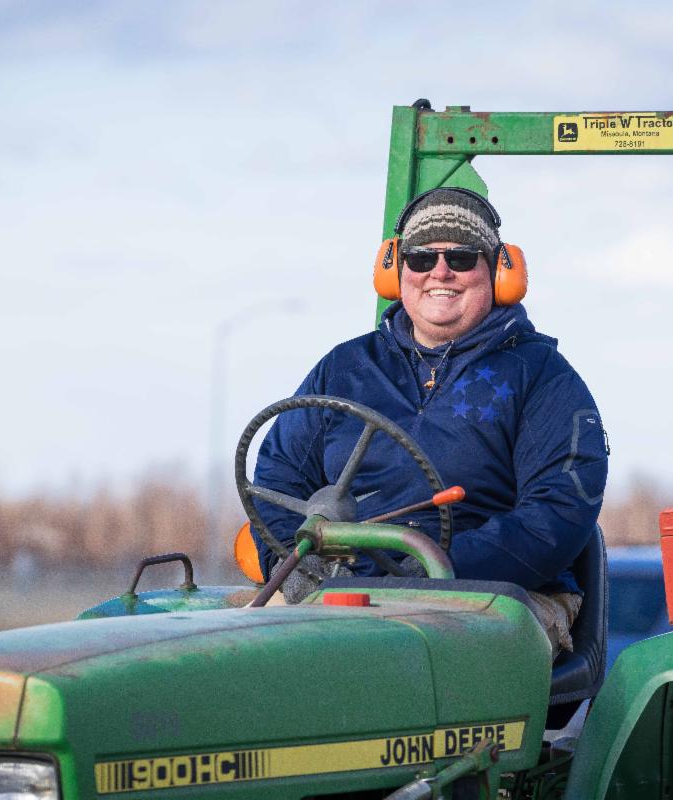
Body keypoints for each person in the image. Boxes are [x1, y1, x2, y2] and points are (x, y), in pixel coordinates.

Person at [250, 187, 608, 654]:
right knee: (224, 645)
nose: (440, 271)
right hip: (341, 596)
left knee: (406, 657)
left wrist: (430, 571)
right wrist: (305, 573)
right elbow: (277, 480)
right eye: (421, 258)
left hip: (496, 596)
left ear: (499, 271)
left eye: (461, 257)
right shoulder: (343, 369)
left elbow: (558, 512)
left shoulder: (542, 377)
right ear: (396, 271)